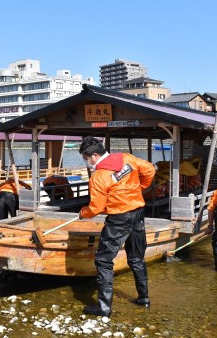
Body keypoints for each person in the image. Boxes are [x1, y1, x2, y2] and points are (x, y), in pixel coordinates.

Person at [78, 136, 156, 317]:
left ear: (95, 156)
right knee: (137, 258)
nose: (87, 163)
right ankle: (143, 298)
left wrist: (84, 213)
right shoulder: (127, 158)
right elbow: (150, 170)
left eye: (86, 159)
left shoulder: (98, 177)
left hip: (118, 219)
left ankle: (104, 308)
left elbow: (96, 207)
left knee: (104, 260)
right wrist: (140, 187)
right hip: (138, 213)